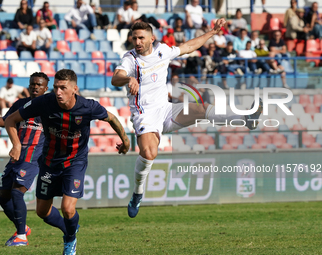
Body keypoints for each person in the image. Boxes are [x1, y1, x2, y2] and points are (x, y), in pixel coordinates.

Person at [111, 20, 263, 218]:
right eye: (134, 38)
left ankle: (247, 118)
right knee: (149, 153)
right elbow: (116, 78)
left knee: (202, 109)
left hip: (166, 109)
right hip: (145, 115)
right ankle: (137, 194)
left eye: (141, 38)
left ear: (151, 38)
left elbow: (189, 46)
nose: (137, 42)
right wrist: (128, 79)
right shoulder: (130, 59)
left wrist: (212, 32)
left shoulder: (163, 51)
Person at [5, 69, 130, 255]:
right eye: (56, 87)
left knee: (67, 208)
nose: (58, 92)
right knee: (41, 212)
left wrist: (126, 141)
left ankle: (70, 239)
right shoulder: (44, 102)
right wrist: (16, 144)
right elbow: (10, 119)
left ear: (74, 89)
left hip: (74, 162)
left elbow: (112, 118)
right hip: (49, 162)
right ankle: (71, 228)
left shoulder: (88, 107)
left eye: (63, 88)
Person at [0, 72, 49, 246]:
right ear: (29, 85)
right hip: (16, 156)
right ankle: (23, 227)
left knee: (16, 192)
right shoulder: (20, 104)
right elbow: (6, 121)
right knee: (2, 197)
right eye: (33, 84)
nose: (35, 87)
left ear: (46, 88)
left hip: (32, 158)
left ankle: (21, 236)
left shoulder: (50, 109)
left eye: (39, 85)